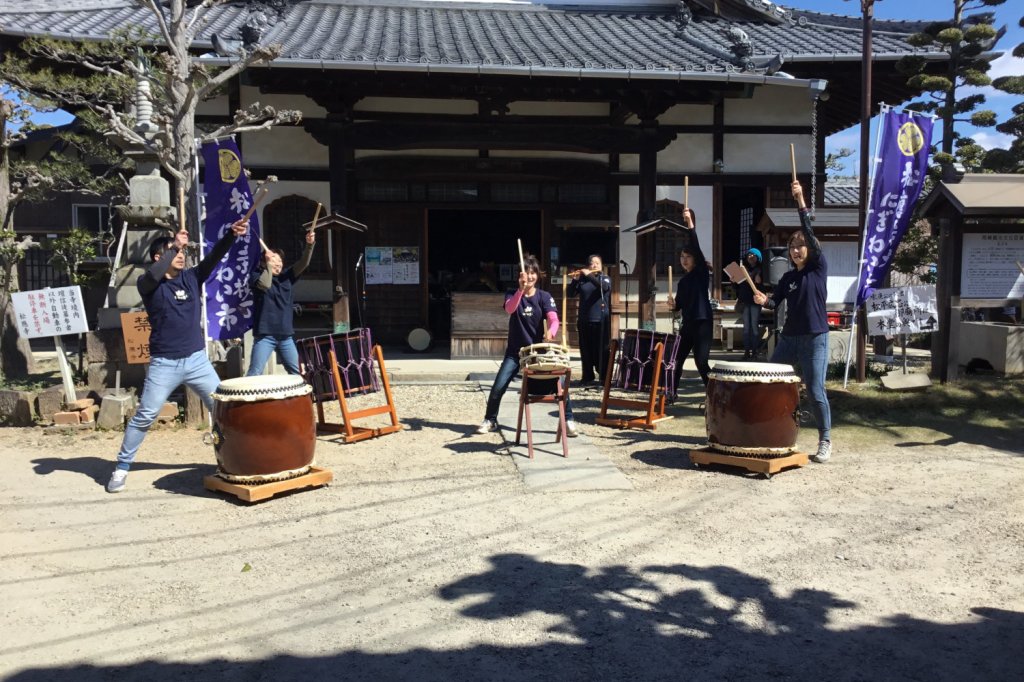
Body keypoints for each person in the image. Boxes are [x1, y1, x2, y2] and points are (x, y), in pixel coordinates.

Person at [107, 218, 249, 493]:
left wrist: (231, 235)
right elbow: (153, 274)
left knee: (223, 410)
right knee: (146, 415)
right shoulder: (148, 284)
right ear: (159, 257)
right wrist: (174, 245)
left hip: (197, 360)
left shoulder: (192, 277)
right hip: (164, 363)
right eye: (176, 253)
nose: (182, 257)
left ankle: (232, 461)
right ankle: (122, 467)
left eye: (183, 253)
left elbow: (215, 257)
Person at [753, 181, 833, 463]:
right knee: (770, 379)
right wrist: (765, 301)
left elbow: (810, 234)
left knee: (814, 388)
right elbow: (776, 303)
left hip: (815, 337)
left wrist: (800, 201)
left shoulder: (818, 268)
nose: (796, 250)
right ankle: (771, 429)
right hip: (789, 338)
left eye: (800, 246)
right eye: (792, 246)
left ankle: (825, 440)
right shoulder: (788, 278)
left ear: (810, 250)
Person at [477, 254, 578, 437]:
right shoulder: (511, 293)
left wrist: (551, 332)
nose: (530, 276)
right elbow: (510, 309)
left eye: (533, 273)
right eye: (526, 273)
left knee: (560, 382)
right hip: (516, 352)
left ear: (538, 275)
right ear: (520, 276)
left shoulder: (544, 296)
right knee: (499, 386)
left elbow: (554, 319)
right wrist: (520, 291)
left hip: (538, 352)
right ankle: (490, 419)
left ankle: (568, 420)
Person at [246, 228, 316, 376]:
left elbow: (304, 263)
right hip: (265, 335)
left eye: (280, 261)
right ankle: (247, 399)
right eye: (273, 260)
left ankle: (304, 399)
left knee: (297, 373)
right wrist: (268, 266)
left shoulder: (288, 277)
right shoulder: (256, 276)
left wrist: (310, 244)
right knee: (254, 372)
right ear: (264, 262)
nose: (277, 264)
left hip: (286, 335)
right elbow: (265, 284)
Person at [667, 208, 712, 388]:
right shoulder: (682, 282)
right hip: (688, 325)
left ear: (695, 259)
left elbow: (695, 243)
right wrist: (673, 305)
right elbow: (678, 307)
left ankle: (713, 394)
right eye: (682, 257)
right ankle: (671, 393)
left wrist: (689, 224)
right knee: (676, 360)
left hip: (702, 322)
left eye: (688, 257)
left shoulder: (701, 273)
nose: (684, 260)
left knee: (701, 362)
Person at [567, 254, 611, 385]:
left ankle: (603, 376)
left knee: (601, 349)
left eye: (598, 263)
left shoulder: (605, 278)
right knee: (585, 349)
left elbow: (603, 288)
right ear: (588, 266)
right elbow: (570, 294)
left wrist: (589, 275)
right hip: (584, 319)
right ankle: (587, 376)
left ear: (601, 265)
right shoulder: (582, 280)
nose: (595, 265)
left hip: (600, 320)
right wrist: (575, 280)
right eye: (592, 263)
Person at [736, 247, 764, 360]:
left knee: (754, 327)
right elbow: (738, 288)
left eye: (753, 255)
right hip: (745, 302)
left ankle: (755, 352)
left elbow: (764, 287)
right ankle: (746, 351)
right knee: (746, 327)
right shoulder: (743, 270)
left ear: (758, 257)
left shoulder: (761, 270)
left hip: (755, 302)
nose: (751, 257)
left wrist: (759, 281)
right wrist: (734, 281)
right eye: (749, 255)